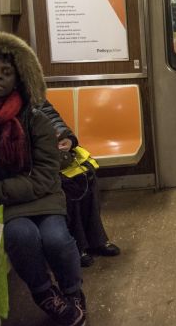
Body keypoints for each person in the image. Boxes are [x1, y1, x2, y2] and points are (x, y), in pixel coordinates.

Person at [0, 31, 87, 326]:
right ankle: (45, 294)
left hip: (40, 196)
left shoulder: (34, 119)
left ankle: (73, 292)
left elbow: (47, 176)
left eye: (6, 72)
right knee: (21, 236)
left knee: (56, 239)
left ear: (19, 78)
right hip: (5, 206)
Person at [38, 99, 121, 267]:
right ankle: (77, 244)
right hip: (33, 157)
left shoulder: (28, 91)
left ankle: (96, 239)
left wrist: (65, 137)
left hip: (50, 148)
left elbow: (51, 117)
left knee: (85, 175)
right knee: (69, 186)